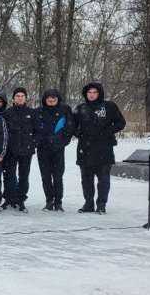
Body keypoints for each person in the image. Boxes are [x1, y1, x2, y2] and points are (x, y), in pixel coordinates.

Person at [73, 82, 126, 214]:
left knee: (103, 179)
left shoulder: (109, 106)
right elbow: (72, 125)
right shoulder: (80, 108)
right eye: (89, 93)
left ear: (99, 93)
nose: (91, 95)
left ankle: (101, 204)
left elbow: (121, 122)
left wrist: (107, 131)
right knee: (86, 179)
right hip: (85, 148)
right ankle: (88, 204)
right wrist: (79, 133)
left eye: (94, 92)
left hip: (104, 148)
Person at [35, 89, 74, 212]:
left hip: (58, 149)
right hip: (43, 149)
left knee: (58, 177)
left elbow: (69, 127)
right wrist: (38, 141)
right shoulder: (39, 111)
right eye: (48, 99)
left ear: (58, 99)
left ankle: (58, 202)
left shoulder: (65, 110)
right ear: (45, 100)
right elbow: (34, 129)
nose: (51, 101)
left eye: (54, 99)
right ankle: (49, 201)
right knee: (45, 177)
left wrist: (62, 142)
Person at [2, 87, 36, 212]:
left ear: (26, 98)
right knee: (9, 175)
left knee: (24, 176)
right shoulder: (7, 113)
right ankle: (9, 198)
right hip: (11, 150)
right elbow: (3, 132)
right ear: (13, 98)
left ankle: (21, 199)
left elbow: (37, 131)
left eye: (22, 96)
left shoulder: (32, 113)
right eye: (17, 96)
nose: (20, 98)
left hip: (26, 150)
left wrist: (33, 143)